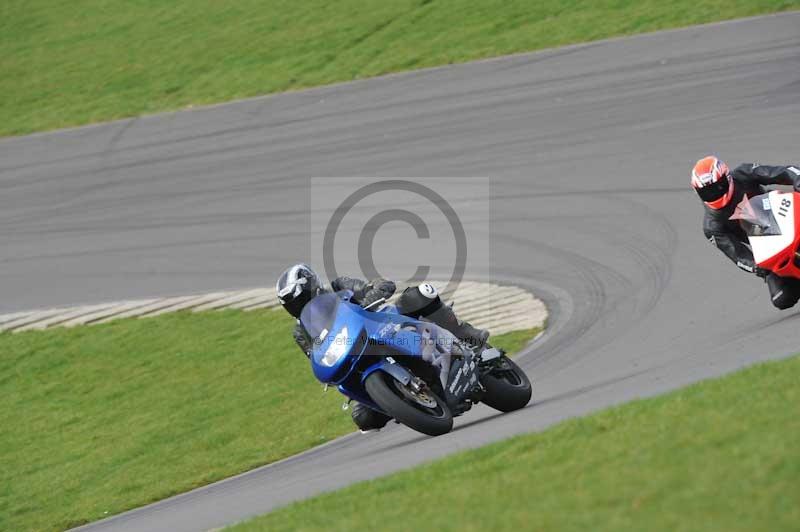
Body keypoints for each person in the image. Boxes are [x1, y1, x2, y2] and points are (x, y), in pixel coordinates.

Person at [275, 263, 489, 432]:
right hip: (355, 356)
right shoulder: (300, 332)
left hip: (385, 325)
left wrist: (373, 293)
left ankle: (467, 335)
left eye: (301, 298)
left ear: (312, 286)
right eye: (292, 304)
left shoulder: (339, 287)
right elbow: (316, 354)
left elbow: (382, 284)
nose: (299, 306)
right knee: (363, 417)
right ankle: (404, 403)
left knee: (419, 295)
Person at [691, 155, 800, 309]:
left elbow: (782, 171)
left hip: (785, 213)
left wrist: (797, 179)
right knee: (782, 298)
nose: (715, 193)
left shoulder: (744, 173)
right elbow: (737, 255)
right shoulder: (712, 227)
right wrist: (756, 266)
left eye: (717, 187)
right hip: (770, 248)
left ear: (727, 178)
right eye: (707, 192)